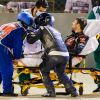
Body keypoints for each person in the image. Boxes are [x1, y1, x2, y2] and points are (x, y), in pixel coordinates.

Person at [27, 12, 78, 97]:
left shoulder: (42, 28)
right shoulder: (57, 31)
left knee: (43, 69)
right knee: (61, 73)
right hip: (65, 55)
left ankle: (51, 92)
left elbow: (30, 40)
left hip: (54, 54)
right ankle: (73, 91)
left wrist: (30, 31)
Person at [17, 0, 55, 95]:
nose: (42, 12)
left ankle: (48, 88)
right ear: (35, 7)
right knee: (21, 61)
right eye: (41, 10)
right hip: (26, 39)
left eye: (44, 10)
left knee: (44, 63)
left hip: (38, 41)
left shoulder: (46, 16)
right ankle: (24, 86)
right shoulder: (24, 13)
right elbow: (20, 26)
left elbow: (49, 29)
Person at [0, 11, 34, 96]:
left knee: (0, 71)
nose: (27, 28)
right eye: (27, 26)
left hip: (1, 45)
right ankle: (7, 91)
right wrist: (17, 57)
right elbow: (17, 45)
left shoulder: (9, 24)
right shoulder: (19, 29)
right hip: (2, 48)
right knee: (7, 70)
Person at [87, 0, 100, 92]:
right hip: (97, 38)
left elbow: (89, 24)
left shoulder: (95, 10)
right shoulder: (95, 10)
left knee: (98, 61)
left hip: (97, 38)